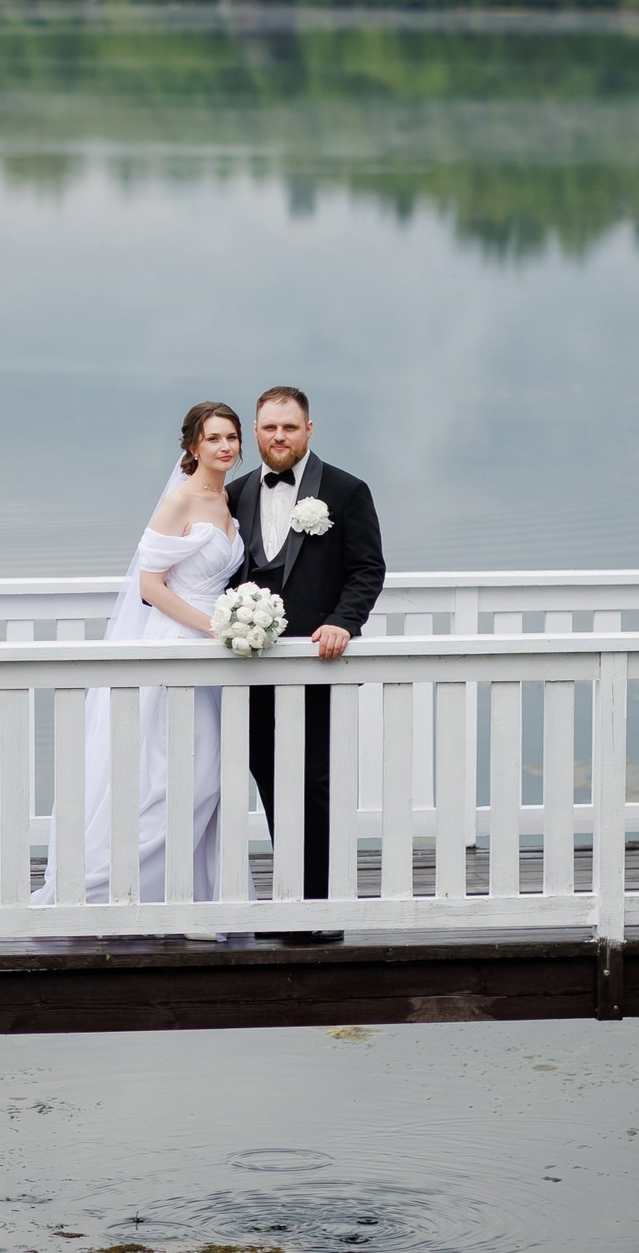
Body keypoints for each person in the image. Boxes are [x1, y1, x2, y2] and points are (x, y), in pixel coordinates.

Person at [36, 400, 242, 912]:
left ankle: (187, 898)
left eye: (232, 437)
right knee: (173, 775)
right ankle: (104, 891)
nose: (225, 446)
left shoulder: (228, 501)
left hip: (214, 654)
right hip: (178, 644)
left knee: (203, 775)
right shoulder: (181, 500)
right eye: (214, 437)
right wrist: (214, 626)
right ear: (193, 446)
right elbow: (150, 586)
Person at [227, 385, 385, 916]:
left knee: (315, 785)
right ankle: (282, 902)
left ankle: (320, 910)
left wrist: (343, 623)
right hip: (248, 671)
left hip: (318, 669)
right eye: (270, 427)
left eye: (290, 427)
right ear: (256, 431)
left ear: (309, 430)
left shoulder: (345, 490)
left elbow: (367, 569)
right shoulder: (236, 493)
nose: (279, 437)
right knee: (265, 780)